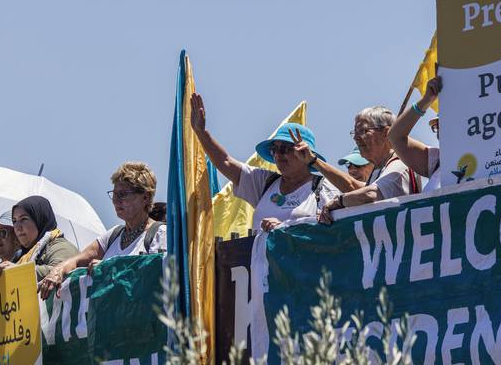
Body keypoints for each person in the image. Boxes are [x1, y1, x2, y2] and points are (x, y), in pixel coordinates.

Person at [189, 92, 340, 359]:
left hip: (303, 283)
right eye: (275, 150)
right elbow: (225, 162)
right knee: (265, 347)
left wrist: (286, 227)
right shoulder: (265, 183)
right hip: (263, 284)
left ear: (306, 153)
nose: (279, 155)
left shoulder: (322, 188)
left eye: (286, 149)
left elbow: (331, 229)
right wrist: (201, 132)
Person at [39, 162, 168, 297]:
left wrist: (111, 269)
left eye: (123, 194)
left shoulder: (161, 235)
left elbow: (157, 278)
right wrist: (57, 272)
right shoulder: (114, 235)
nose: (116, 200)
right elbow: (76, 260)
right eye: (114, 194)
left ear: (145, 197)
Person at [317, 105, 425, 224]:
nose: (356, 138)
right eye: (355, 132)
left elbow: (371, 194)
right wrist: (313, 160)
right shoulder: (379, 169)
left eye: (363, 131)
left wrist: (339, 201)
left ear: (386, 132)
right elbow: (354, 187)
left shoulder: (400, 164)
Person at [0, 195, 79, 281]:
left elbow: (61, 271)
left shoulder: (61, 247)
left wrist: (19, 271)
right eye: (14, 221)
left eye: (23, 219)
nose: (17, 227)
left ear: (40, 219)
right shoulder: (20, 256)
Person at [387, 76, 445, 193]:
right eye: (437, 126)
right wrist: (426, 100)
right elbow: (395, 136)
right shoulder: (437, 160)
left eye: (443, 124)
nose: (439, 130)